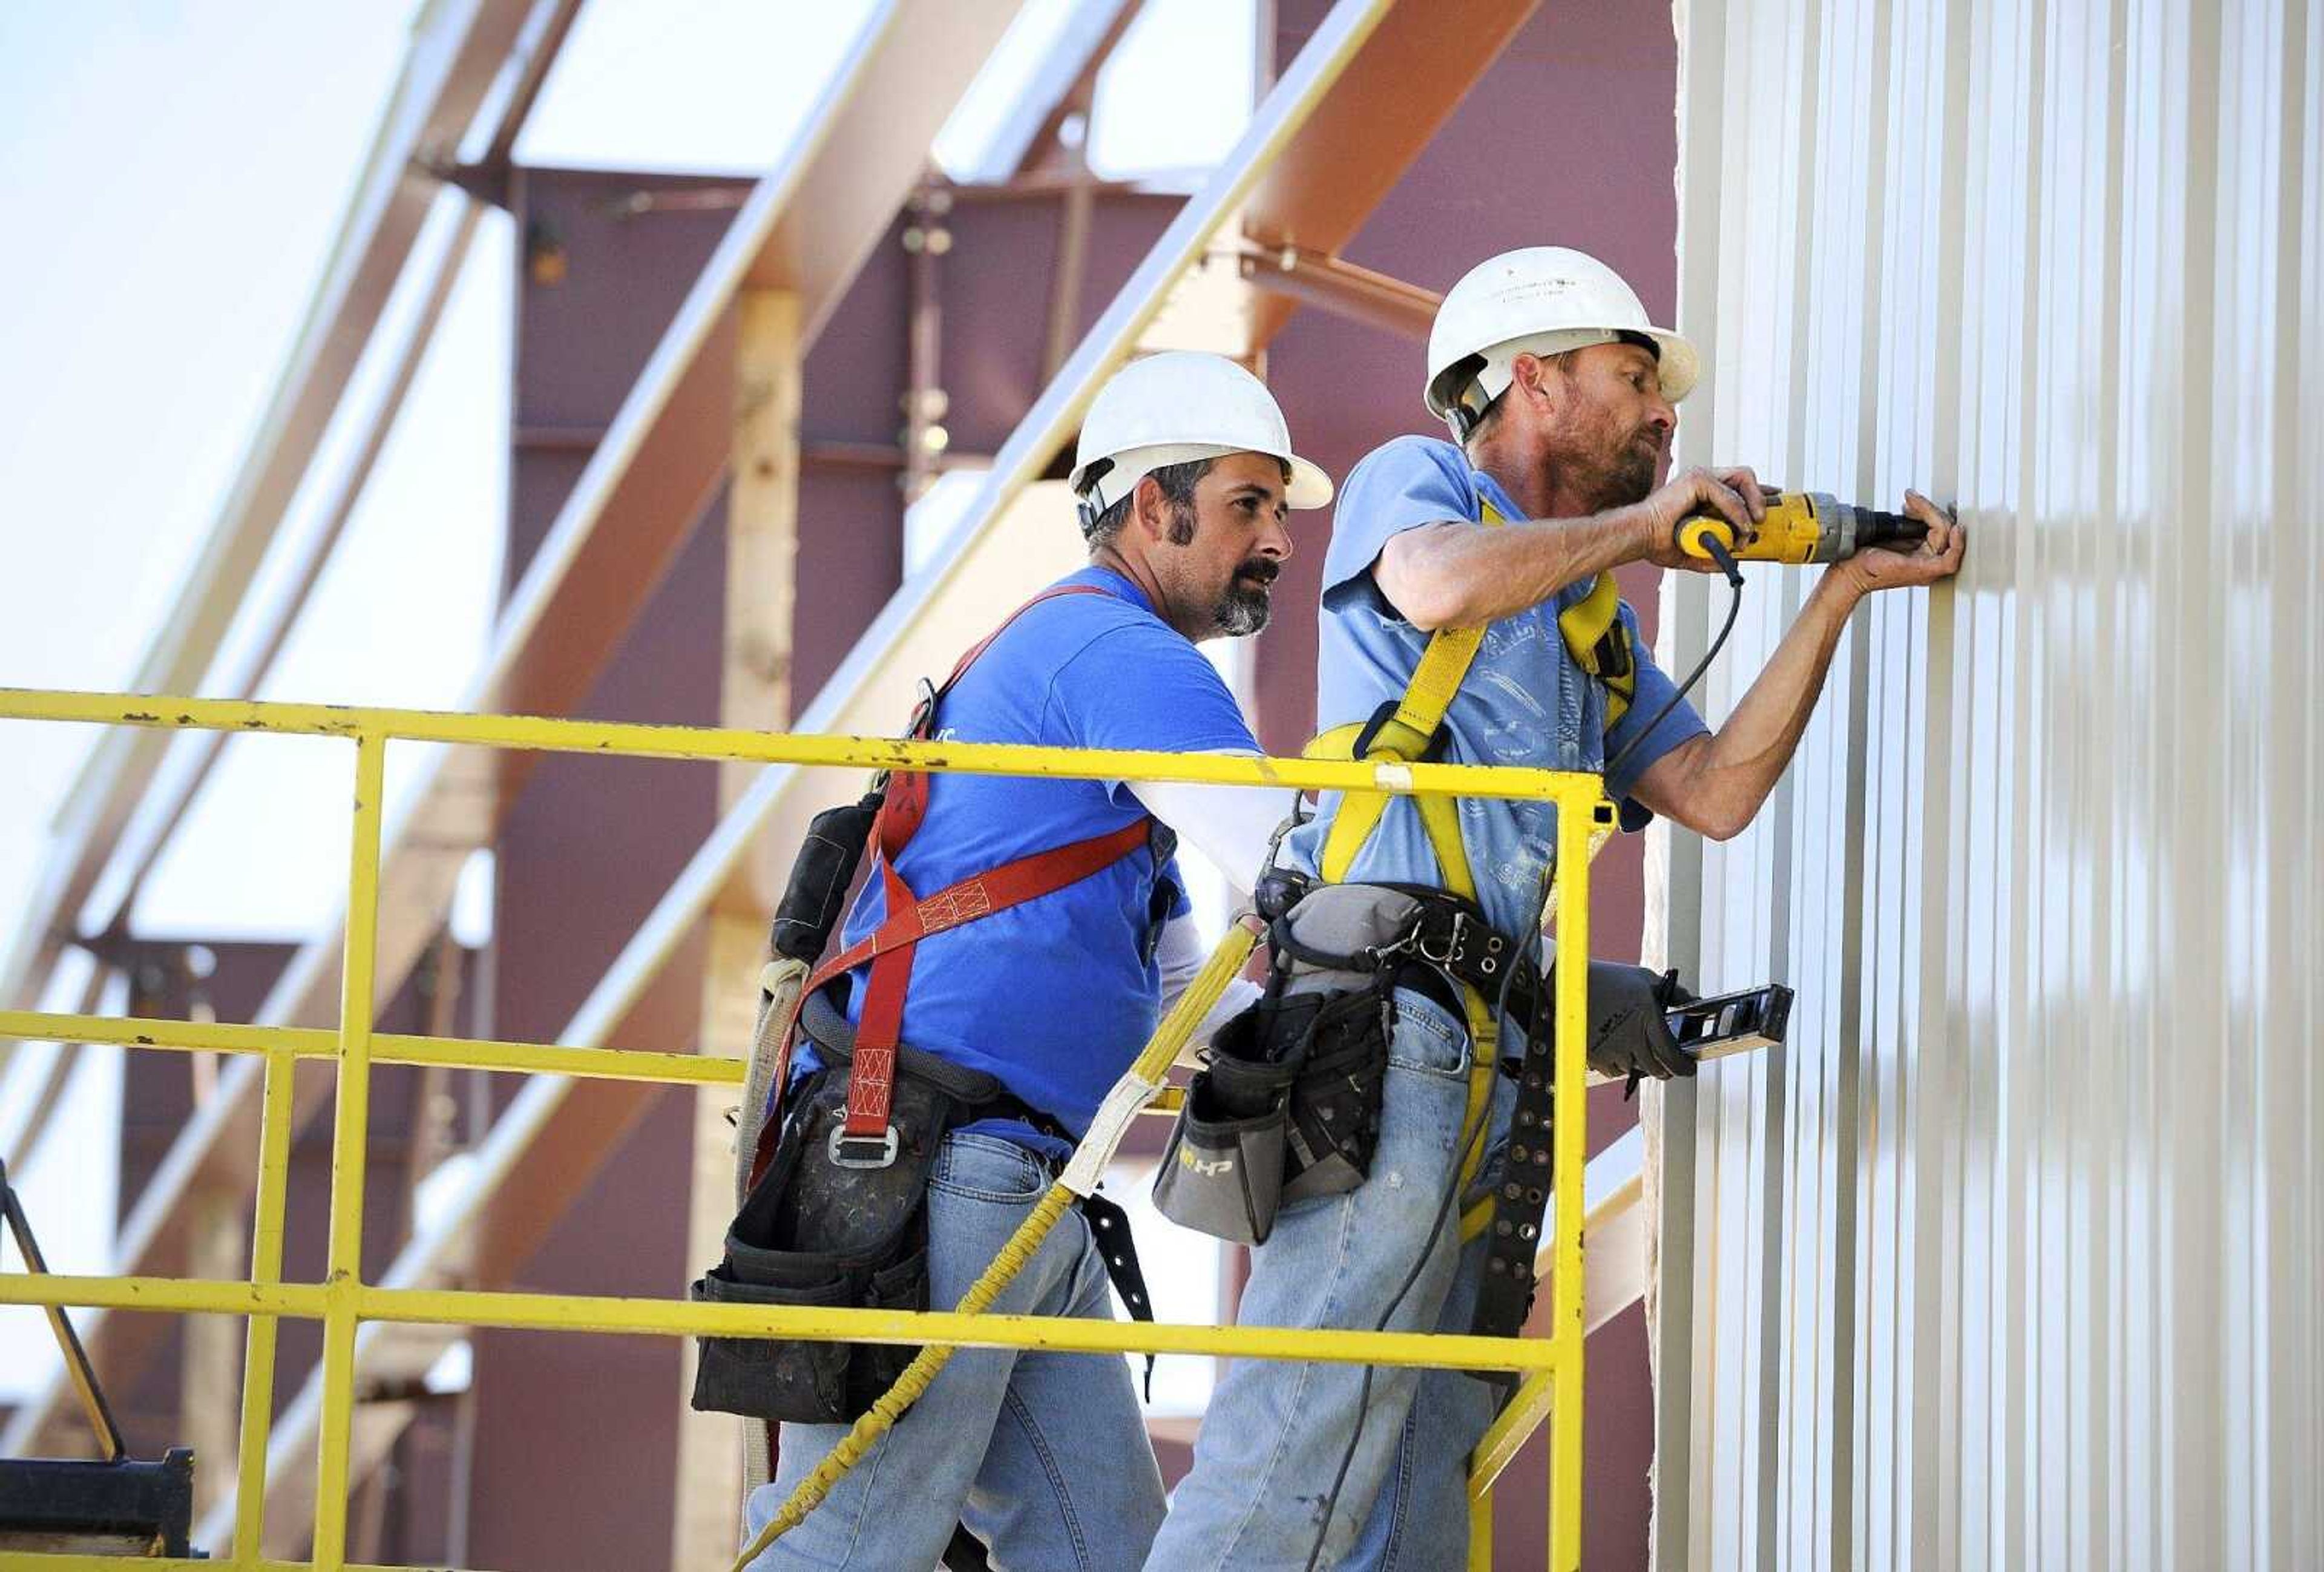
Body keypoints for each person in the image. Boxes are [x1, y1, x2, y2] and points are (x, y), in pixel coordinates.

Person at [1145, 246, 1965, 1568]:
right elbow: (1434, 584)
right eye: (1633, 378)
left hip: (1492, 1054)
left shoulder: (1588, 616)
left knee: (1416, 1437)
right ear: (1529, 381)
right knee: (1305, 1408)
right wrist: (1650, 529)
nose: (1665, 416)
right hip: (1389, 1027)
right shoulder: (1417, 486)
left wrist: (1839, 593)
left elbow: (1712, 788)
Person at [741, 349, 1332, 1571]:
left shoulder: (1076, 690)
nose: (1277, 538)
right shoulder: (1119, 657)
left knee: (1101, 1549)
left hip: (1009, 1178)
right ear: (1150, 502)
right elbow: (1289, 860)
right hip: (944, 1167)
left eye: (1279, 510)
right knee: (847, 1547)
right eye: (1246, 505)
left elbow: (1178, 978)